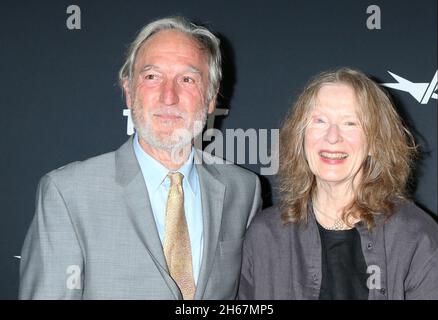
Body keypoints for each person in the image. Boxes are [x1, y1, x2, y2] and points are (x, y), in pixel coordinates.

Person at [19, 16, 261, 300]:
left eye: (187, 79)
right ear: (129, 92)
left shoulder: (244, 190)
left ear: (210, 99)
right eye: (151, 77)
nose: (168, 96)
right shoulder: (68, 194)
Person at [238, 68, 438, 300]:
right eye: (319, 121)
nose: (332, 137)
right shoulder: (264, 236)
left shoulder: (416, 237)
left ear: (375, 143)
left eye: (350, 123)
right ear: (301, 136)